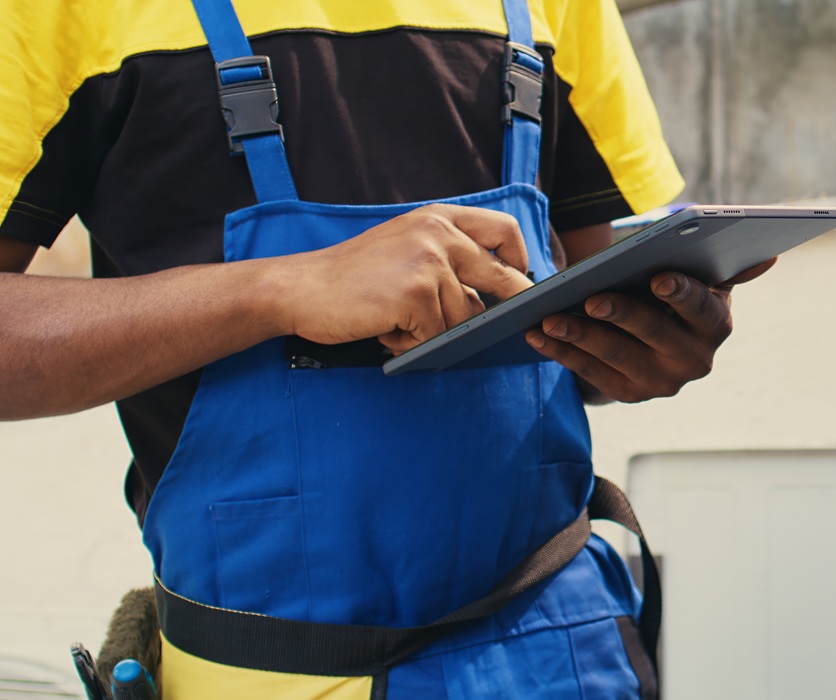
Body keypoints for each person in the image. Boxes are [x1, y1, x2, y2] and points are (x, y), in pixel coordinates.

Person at [0, 0, 774, 697]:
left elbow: (593, 293)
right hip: (265, 675)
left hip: (561, 655)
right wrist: (279, 291)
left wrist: (647, 342)